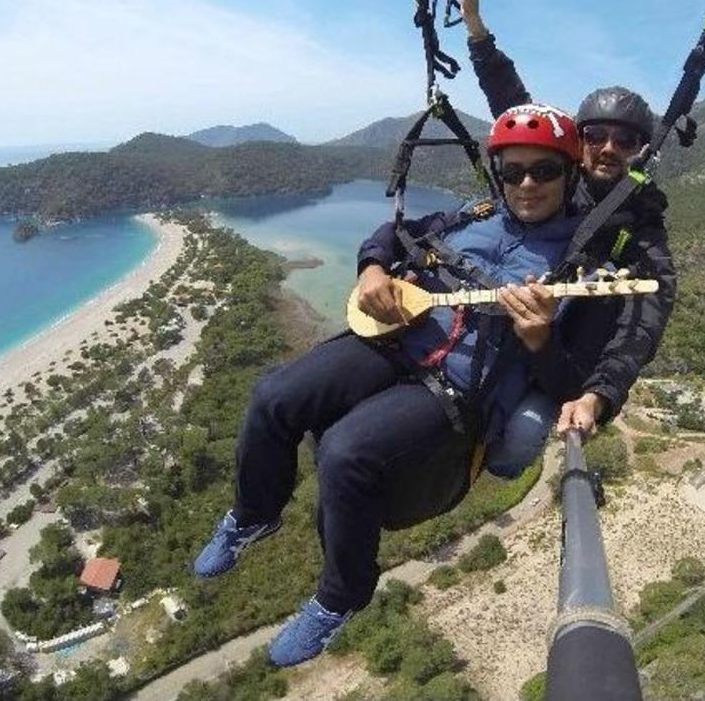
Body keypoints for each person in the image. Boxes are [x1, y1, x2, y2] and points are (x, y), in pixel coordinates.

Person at [193, 104, 592, 668]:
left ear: (569, 175)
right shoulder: (474, 214)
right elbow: (395, 234)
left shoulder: (577, 266)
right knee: (273, 397)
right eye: (512, 172)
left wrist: (540, 340)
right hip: (392, 341)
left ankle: (342, 594)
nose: (526, 185)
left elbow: (572, 381)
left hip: (453, 388)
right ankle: (255, 513)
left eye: (544, 172)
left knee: (344, 452)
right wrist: (374, 269)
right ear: (497, 175)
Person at [449, 0, 678, 472]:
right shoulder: (556, 177)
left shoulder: (639, 228)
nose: (608, 148)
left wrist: (600, 394)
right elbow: (512, 102)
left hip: (559, 357)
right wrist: (476, 29)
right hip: (502, 327)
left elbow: (643, 322)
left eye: (625, 140)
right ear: (578, 142)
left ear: (641, 151)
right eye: (596, 135)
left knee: (516, 449)